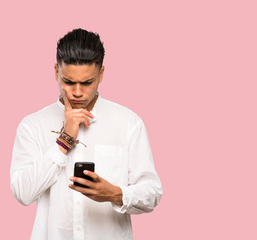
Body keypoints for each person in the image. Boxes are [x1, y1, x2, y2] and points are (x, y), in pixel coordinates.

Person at [10, 28, 162, 240]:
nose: (78, 92)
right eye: (69, 82)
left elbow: (152, 193)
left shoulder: (128, 123)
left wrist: (116, 194)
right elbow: (23, 193)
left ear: (101, 74)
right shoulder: (32, 125)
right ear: (56, 71)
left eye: (87, 82)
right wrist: (63, 142)